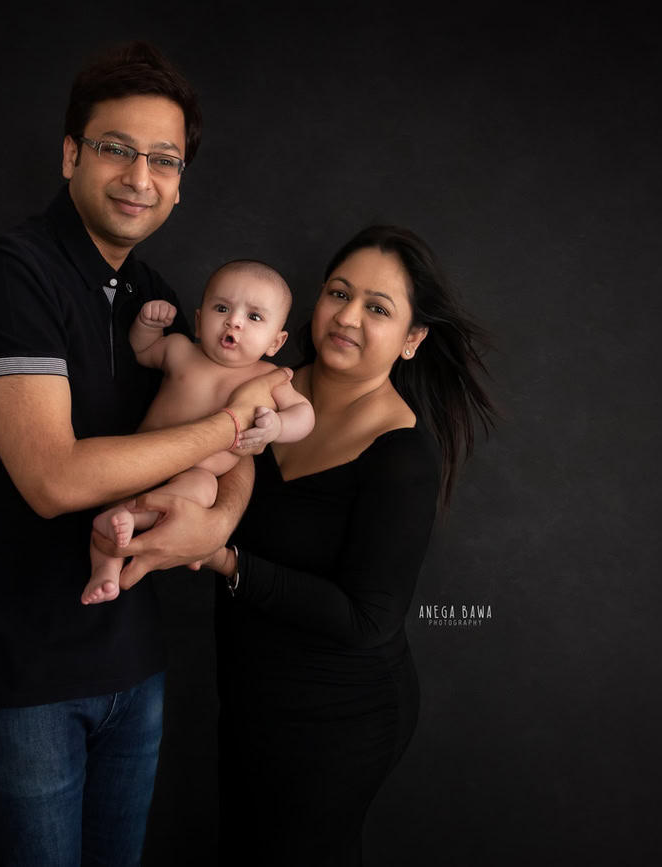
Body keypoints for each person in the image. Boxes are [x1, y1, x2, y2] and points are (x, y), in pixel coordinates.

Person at [0, 43, 288, 864]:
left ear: (181, 180)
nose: (139, 176)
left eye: (164, 158)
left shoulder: (154, 296)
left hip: (132, 668)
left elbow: (241, 444)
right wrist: (232, 428)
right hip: (18, 682)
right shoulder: (8, 275)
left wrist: (216, 521)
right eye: (116, 147)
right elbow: (54, 480)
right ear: (70, 153)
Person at [197, 225, 496, 865]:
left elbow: (370, 619)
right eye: (339, 292)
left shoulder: (402, 453)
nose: (347, 316)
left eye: (378, 308)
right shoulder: (257, 385)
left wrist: (222, 556)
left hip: (339, 714)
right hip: (250, 694)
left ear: (413, 340)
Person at [82, 260, 315, 605]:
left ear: (275, 342)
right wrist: (147, 326)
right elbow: (142, 352)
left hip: (196, 472)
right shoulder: (180, 350)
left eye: (254, 317)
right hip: (141, 457)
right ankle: (104, 569)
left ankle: (131, 522)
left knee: (204, 489)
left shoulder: (267, 377)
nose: (233, 320)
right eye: (222, 307)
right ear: (199, 319)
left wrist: (277, 426)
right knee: (114, 495)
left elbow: (305, 414)